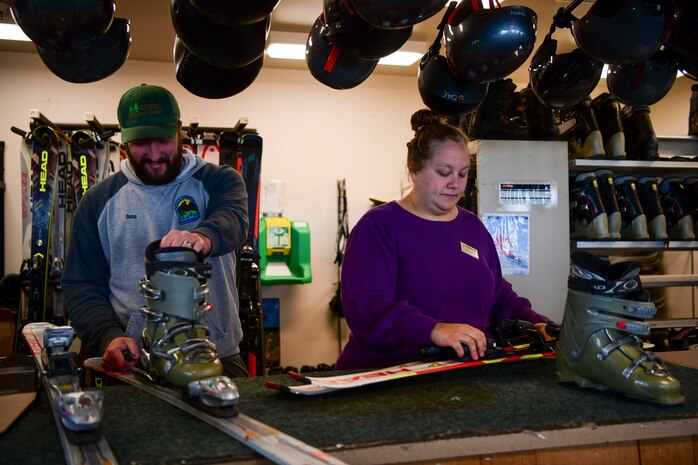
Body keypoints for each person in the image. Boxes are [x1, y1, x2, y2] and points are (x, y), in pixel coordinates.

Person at [335, 109, 552, 370]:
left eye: (462, 174)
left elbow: (497, 296)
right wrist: (433, 330)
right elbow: (366, 308)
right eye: (443, 172)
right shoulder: (378, 227)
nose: (455, 184)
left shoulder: (472, 226)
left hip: (460, 371)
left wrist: (534, 322)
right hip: (387, 374)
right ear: (414, 171)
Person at [62, 84, 250, 377]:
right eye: (140, 143)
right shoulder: (98, 202)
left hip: (216, 355)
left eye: (162, 140)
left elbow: (233, 221)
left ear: (179, 131)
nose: (153, 154)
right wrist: (108, 335)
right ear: (124, 141)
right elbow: (81, 285)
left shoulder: (219, 180)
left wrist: (201, 237)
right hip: (133, 364)